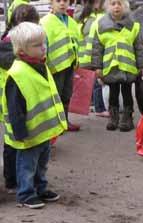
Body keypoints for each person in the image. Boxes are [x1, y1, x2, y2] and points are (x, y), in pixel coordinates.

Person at [4, 22, 67, 209]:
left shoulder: (40, 65)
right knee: (27, 165)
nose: (44, 47)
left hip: (43, 131)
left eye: (44, 43)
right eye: (37, 45)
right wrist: (20, 132)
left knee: (41, 163)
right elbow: (15, 108)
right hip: (28, 133)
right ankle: (25, 193)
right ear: (22, 50)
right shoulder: (17, 74)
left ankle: (40, 188)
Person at [0, 4, 40, 195]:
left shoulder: (13, 44)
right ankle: (12, 181)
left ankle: (15, 180)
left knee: (14, 142)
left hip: (11, 100)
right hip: (9, 102)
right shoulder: (13, 50)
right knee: (12, 142)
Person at [91, 0, 143, 132]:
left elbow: (139, 47)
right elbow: (97, 49)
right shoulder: (101, 26)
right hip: (111, 67)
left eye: (120, 4)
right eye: (113, 3)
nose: (116, 6)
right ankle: (113, 117)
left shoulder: (133, 26)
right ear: (108, 7)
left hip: (128, 67)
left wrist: (142, 65)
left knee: (127, 93)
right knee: (113, 93)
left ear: (125, 7)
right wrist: (97, 67)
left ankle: (127, 117)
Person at [40, 0, 81, 132]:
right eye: (58, 1)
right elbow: (43, 45)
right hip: (54, 66)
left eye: (65, 1)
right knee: (55, 96)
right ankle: (55, 125)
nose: (62, 4)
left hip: (69, 64)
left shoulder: (71, 22)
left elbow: (76, 42)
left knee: (66, 94)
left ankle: (64, 121)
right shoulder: (45, 22)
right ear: (51, 3)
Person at [75, 0, 110, 118]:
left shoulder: (83, 19)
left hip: (84, 56)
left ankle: (91, 104)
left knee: (91, 82)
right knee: (97, 83)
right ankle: (99, 108)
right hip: (90, 56)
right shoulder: (93, 19)